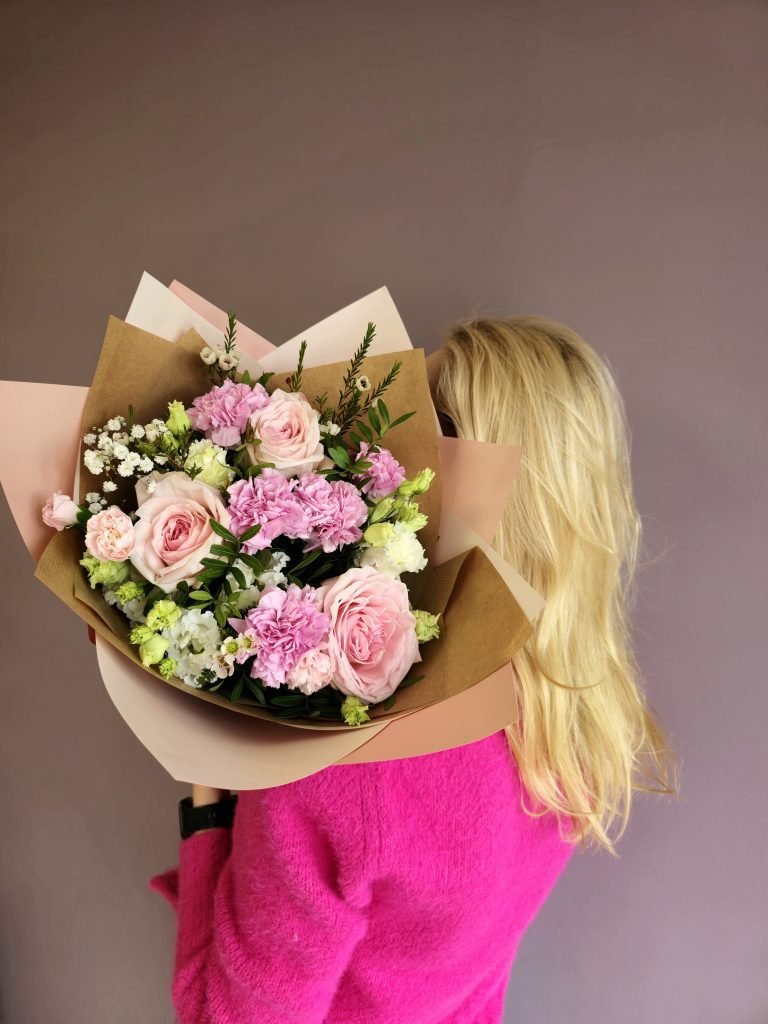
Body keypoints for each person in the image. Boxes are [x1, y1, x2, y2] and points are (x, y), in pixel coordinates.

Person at [149, 315, 679, 1024]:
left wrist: (209, 801)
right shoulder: (577, 709)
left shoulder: (349, 761)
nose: (374, 447)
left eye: (409, 420)